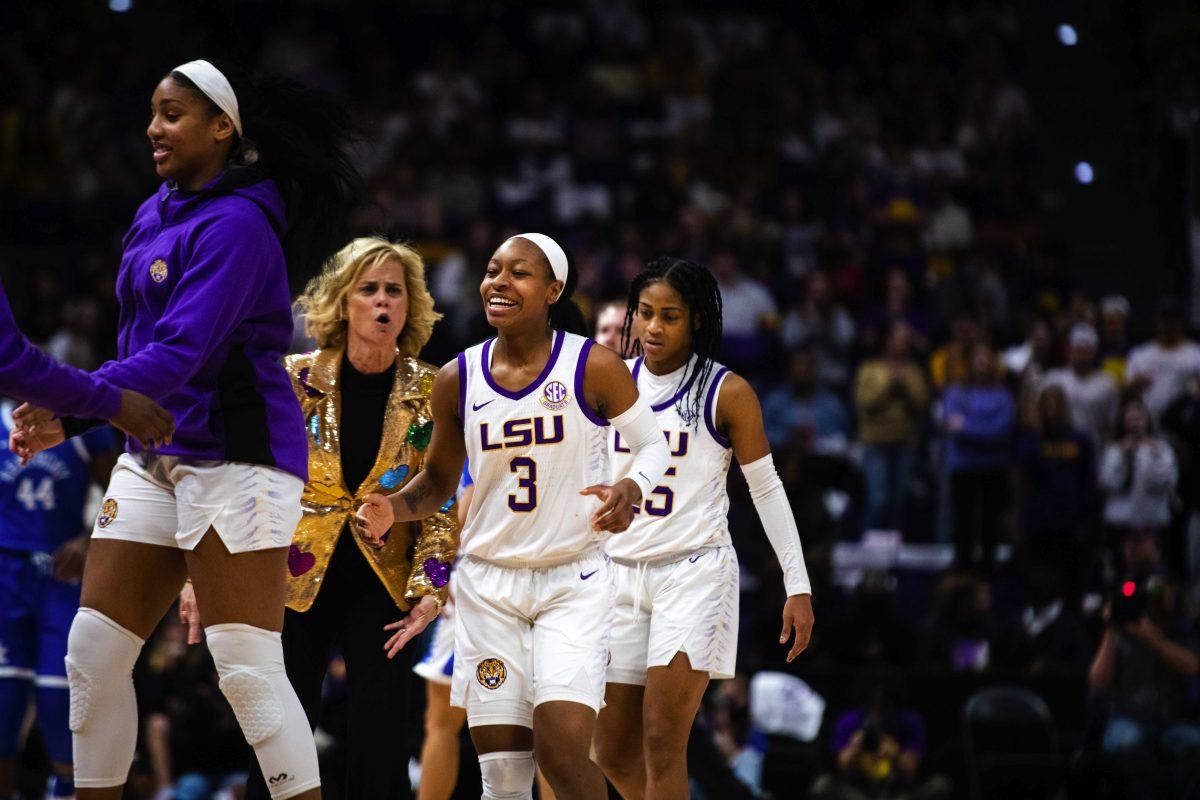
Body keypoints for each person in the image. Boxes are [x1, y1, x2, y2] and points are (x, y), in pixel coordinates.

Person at [10, 59, 361, 800]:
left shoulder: (241, 226)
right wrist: (84, 407)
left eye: (172, 115)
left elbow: (181, 352)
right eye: (152, 113)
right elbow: (142, 344)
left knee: (247, 669)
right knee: (93, 652)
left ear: (222, 129)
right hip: (154, 450)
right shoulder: (154, 209)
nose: (153, 129)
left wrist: (75, 409)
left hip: (237, 456)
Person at [356, 233, 671, 800]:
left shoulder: (592, 365)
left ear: (553, 290)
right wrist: (393, 508)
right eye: (493, 270)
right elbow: (437, 484)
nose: (499, 282)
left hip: (571, 581)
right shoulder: (458, 377)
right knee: (501, 775)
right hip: (488, 586)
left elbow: (653, 445)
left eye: (519, 273)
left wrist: (633, 485)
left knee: (560, 750)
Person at [162, 237, 452, 800]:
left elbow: (439, 496)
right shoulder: (290, 379)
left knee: (381, 735)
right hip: (290, 576)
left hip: (386, 582)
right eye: (368, 289)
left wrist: (432, 589)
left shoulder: (434, 389)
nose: (382, 301)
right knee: (275, 734)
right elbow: (238, 476)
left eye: (395, 289)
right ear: (344, 302)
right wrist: (202, 574)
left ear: (410, 304)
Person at [592, 256, 814, 800]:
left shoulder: (727, 392)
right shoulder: (611, 381)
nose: (652, 327)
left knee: (663, 739)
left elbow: (766, 490)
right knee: (609, 749)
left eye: (669, 316)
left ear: (695, 320)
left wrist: (798, 584)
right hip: (617, 573)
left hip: (692, 573)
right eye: (644, 313)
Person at [0, 402, 119, 800]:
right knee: (4, 707)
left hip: (60, 577)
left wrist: (88, 538)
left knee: (60, 701)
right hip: (6, 576)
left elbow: (120, 494)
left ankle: (67, 787)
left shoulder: (79, 417)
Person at [0, 282, 172, 450]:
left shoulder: (85, 344)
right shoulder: (63, 342)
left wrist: (71, 417)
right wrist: (113, 401)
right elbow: (13, 362)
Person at [941, 343, 1014, 572]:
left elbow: (1002, 429)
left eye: (986, 358)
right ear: (970, 363)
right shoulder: (956, 392)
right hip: (964, 466)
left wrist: (968, 426)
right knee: (963, 520)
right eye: (977, 358)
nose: (982, 363)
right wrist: (984, 428)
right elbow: (951, 424)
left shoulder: (1002, 395)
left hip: (993, 466)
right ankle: (962, 567)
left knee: (990, 521)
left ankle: (988, 569)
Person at [854, 322, 929, 533]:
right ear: (887, 341)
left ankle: (894, 556)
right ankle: (871, 553)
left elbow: (921, 403)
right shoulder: (870, 369)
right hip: (875, 442)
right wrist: (889, 385)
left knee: (899, 503)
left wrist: (903, 386)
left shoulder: (913, 371)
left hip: (904, 442)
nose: (902, 343)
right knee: (879, 500)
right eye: (898, 338)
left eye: (905, 339)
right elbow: (864, 402)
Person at [1042, 323, 1119, 454]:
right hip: (1059, 451)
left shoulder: (1107, 384)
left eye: (1086, 351)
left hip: (1095, 451)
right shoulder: (1053, 379)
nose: (1082, 355)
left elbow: (1111, 426)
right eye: (1078, 349)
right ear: (1070, 350)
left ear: (1094, 352)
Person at [1126, 297, 1200, 423]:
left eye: (1174, 320)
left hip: (1185, 429)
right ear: (1158, 321)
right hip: (1147, 427)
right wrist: (1135, 385)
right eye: (1166, 320)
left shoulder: (1195, 354)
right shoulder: (1141, 354)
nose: (1169, 325)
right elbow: (1126, 393)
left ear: (1182, 322)